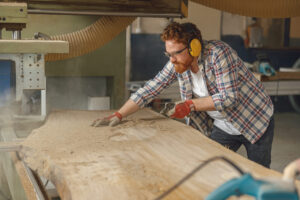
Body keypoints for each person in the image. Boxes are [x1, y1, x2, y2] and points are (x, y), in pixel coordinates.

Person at [91, 22, 274, 168]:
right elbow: (151, 88)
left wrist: (189, 105)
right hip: (224, 125)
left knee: (259, 176)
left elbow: (229, 97)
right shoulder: (178, 63)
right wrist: (119, 114)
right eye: (168, 54)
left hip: (254, 120)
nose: (171, 59)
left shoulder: (218, 54)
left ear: (194, 47)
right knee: (211, 169)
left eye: (176, 53)